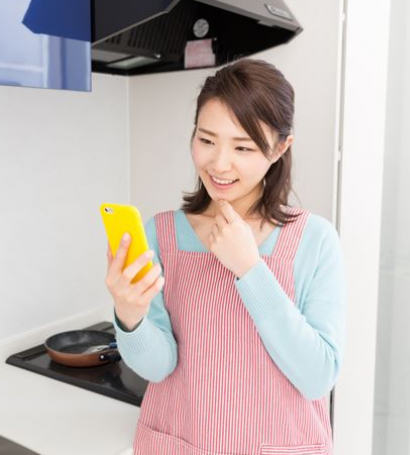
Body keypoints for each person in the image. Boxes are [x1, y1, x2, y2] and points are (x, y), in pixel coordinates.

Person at [105, 58, 345, 455]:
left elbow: (317, 376)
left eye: (243, 147)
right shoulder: (162, 234)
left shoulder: (315, 240)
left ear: (280, 147)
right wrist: (129, 317)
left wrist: (250, 269)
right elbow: (158, 368)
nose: (219, 164)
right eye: (207, 140)